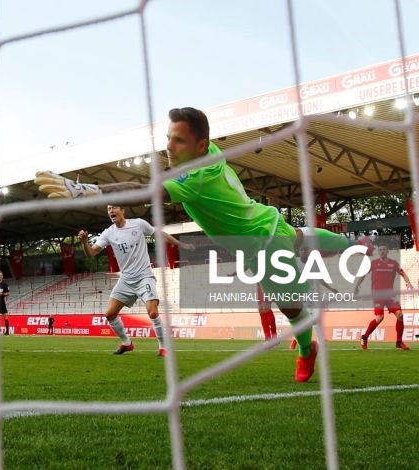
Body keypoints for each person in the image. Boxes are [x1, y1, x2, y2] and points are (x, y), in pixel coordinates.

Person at [35, 107, 359, 382]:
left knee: (290, 304)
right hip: (263, 219)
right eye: (168, 138)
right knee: (301, 237)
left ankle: (306, 349)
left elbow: (146, 192)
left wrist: (89, 191)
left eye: (178, 141)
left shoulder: (196, 179)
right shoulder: (211, 152)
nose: (169, 147)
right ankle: (349, 244)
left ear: (200, 145)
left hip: (263, 242)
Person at [78, 205, 173, 357]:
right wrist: (84, 242)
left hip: (144, 276)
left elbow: (158, 234)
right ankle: (127, 343)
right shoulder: (109, 232)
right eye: (108, 209)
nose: (110, 211)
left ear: (123, 210)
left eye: (113, 208)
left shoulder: (139, 224)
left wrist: (177, 242)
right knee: (109, 314)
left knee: (153, 312)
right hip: (126, 279)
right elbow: (91, 253)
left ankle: (163, 347)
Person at [353, 243, 414, 350]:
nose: (382, 251)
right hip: (378, 295)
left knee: (400, 315)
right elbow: (363, 274)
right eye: (380, 249)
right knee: (380, 318)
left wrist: (408, 283)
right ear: (378, 252)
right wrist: (356, 286)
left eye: (384, 249)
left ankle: (399, 342)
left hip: (390, 295)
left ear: (387, 251)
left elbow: (403, 273)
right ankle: (365, 337)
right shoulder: (374, 263)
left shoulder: (393, 263)